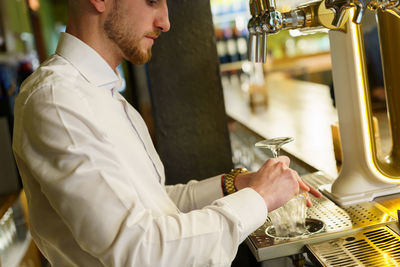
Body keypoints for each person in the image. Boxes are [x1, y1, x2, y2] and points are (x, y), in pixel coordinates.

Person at [12, 0, 322, 266]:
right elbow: (140, 250)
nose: (166, 22)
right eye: (151, 1)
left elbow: (158, 205)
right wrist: (260, 198)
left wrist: (237, 184)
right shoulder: (57, 100)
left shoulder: (106, 97)